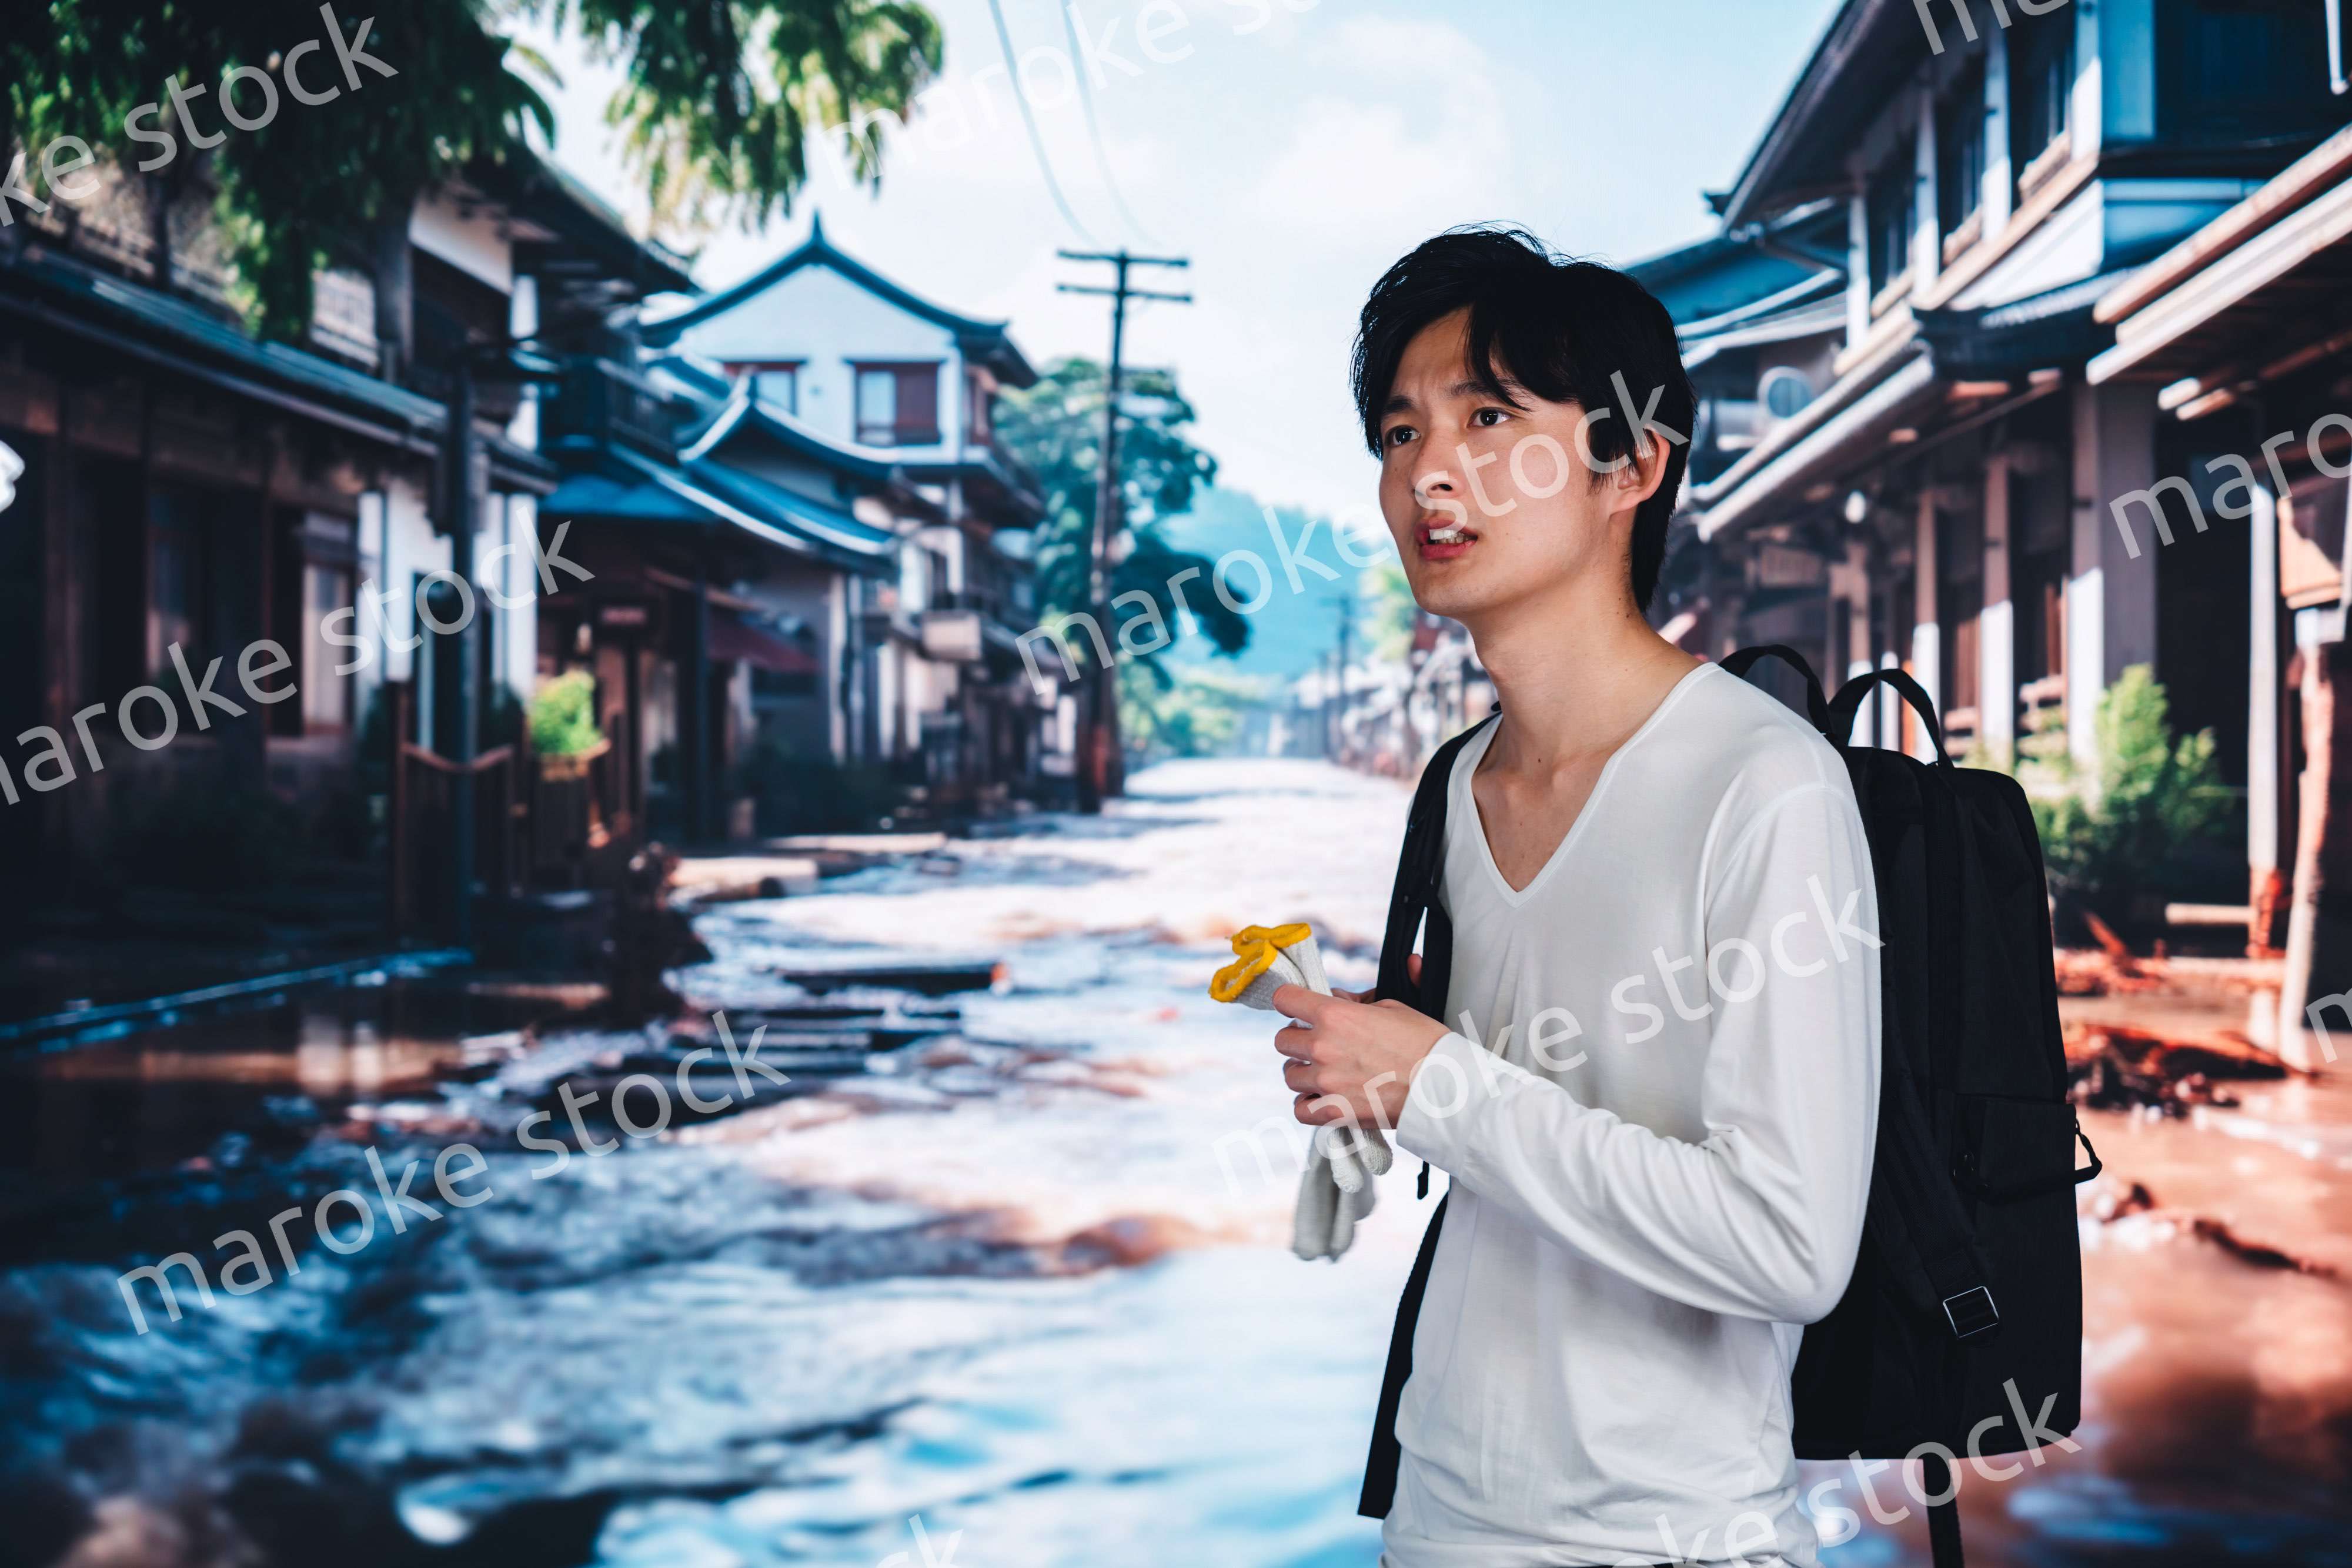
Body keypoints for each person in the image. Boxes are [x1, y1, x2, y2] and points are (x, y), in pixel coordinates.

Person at [1268, 227, 1882, 1568]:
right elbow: (1496, 1139)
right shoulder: (1453, 782)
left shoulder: (1761, 784)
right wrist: (1369, 1098)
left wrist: (1436, 1084)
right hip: (1433, 1520)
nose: (1426, 469)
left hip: (1673, 1540)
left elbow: (1789, 1244)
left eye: (1488, 416)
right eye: (1396, 430)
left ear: (1634, 463)